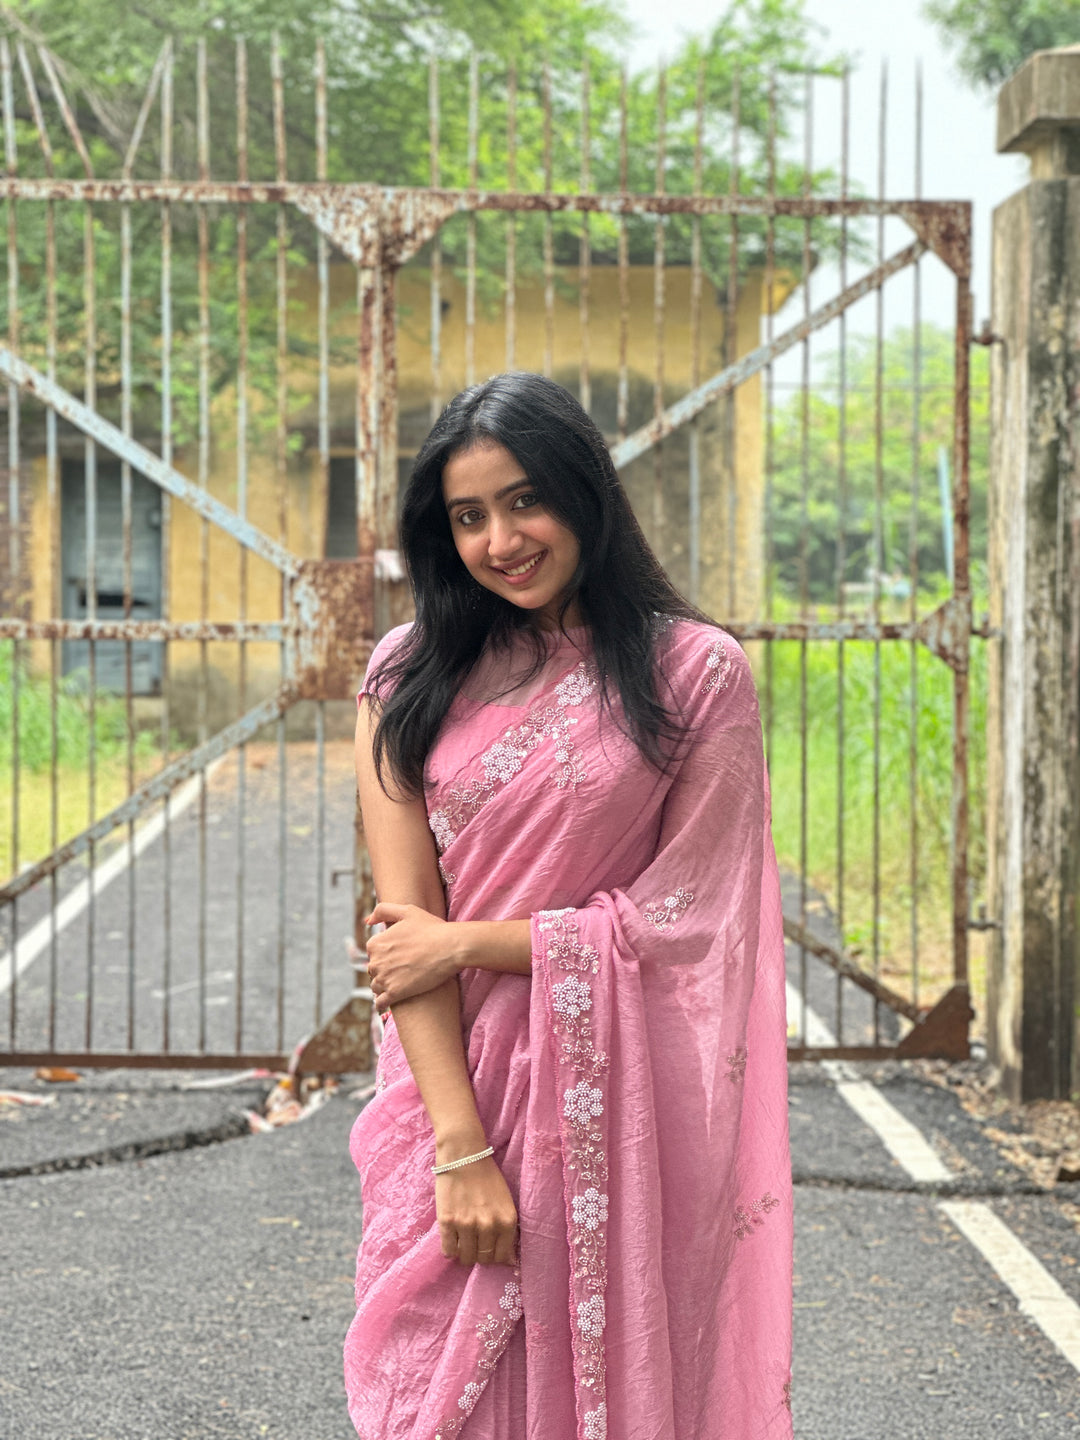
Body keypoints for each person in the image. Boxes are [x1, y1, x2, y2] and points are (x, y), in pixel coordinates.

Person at [344, 372, 793, 1440]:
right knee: (432, 1401)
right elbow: (407, 939)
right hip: (448, 1092)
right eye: (468, 516)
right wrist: (461, 1147)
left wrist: (468, 942)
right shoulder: (405, 674)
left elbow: (689, 921)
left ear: (586, 492)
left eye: (525, 500)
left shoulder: (696, 676)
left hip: (617, 1111)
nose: (501, 540)